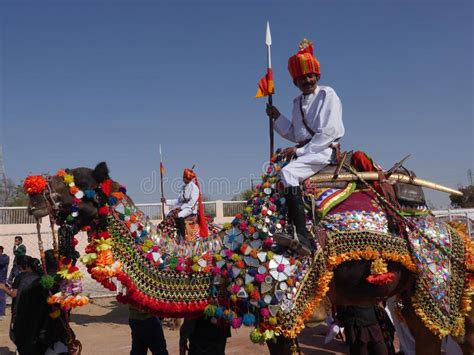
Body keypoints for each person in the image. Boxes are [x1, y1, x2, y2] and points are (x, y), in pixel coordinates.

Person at [266, 39, 344, 256]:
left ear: (317, 76)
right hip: (308, 151)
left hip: (324, 150)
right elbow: (296, 134)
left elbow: (327, 132)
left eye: (310, 76)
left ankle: (303, 236)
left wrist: (299, 152)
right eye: (301, 78)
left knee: (288, 173)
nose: (307, 80)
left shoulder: (327, 94)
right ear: (295, 82)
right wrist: (277, 117)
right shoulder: (296, 103)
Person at [161, 168, 200, 238]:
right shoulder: (183, 187)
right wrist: (166, 201)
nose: (183, 179)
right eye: (183, 177)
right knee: (170, 214)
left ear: (188, 178)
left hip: (190, 208)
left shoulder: (194, 188)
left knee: (179, 215)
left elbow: (192, 202)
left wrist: (181, 208)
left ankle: (183, 236)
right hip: (183, 207)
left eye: (184, 177)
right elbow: (178, 201)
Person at [0, 246, 10, 320]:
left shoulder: (5, 258)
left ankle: (1, 313)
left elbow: (1, 262)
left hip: (1, 280)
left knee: (1, 297)